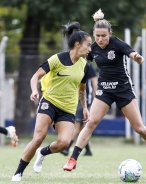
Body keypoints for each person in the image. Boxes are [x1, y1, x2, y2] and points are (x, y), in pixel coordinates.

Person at [63, 9, 146, 171]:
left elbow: (131, 52)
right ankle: (72, 159)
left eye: (103, 36)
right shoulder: (92, 49)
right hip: (104, 91)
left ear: (110, 34)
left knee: (139, 128)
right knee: (91, 122)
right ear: (93, 35)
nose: (100, 39)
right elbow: (81, 62)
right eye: (97, 36)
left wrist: (137, 57)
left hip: (123, 90)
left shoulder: (117, 43)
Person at [11, 21, 93, 182]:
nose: (90, 49)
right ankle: (18, 172)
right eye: (88, 45)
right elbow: (35, 76)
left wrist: (84, 107)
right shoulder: (57, 59)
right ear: (77, 44)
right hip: (49, 102)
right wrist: (35, 90)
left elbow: (82, 89)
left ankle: (42, 153)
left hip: (68, 108)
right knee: (39, 137)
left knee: (64, 143)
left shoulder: (85, 66)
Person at [61, 63, 97, 156]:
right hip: (74, 99)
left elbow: (94, 81)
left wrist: (96, 98)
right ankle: (88, 150)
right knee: (82, 126)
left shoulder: (88, 65)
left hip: (84, 100)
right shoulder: (72, 64)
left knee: (78, 125)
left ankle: (67, 148)